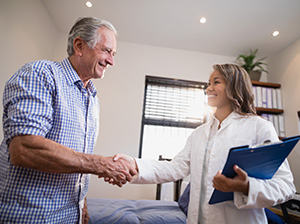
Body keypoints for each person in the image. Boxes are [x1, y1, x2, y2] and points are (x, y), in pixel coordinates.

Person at [112, 64, 296, 224]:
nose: (208, 88)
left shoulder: (259, 127)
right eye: (209, 83)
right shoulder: (199, 133)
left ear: (234, 85)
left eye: (216, 82)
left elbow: (285, 187)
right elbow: (175, 168)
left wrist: (246, 186)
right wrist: (134, 165)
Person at [0, 17, 136, 223]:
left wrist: (82, 202)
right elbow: (24, 149)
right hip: (30, 216)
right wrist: (101, 164)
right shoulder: (41, 73)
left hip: (70, 215)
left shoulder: (92, 97)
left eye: (114, 54)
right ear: (79, 46)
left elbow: (78, 158)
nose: (111, 61)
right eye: (107, 51)